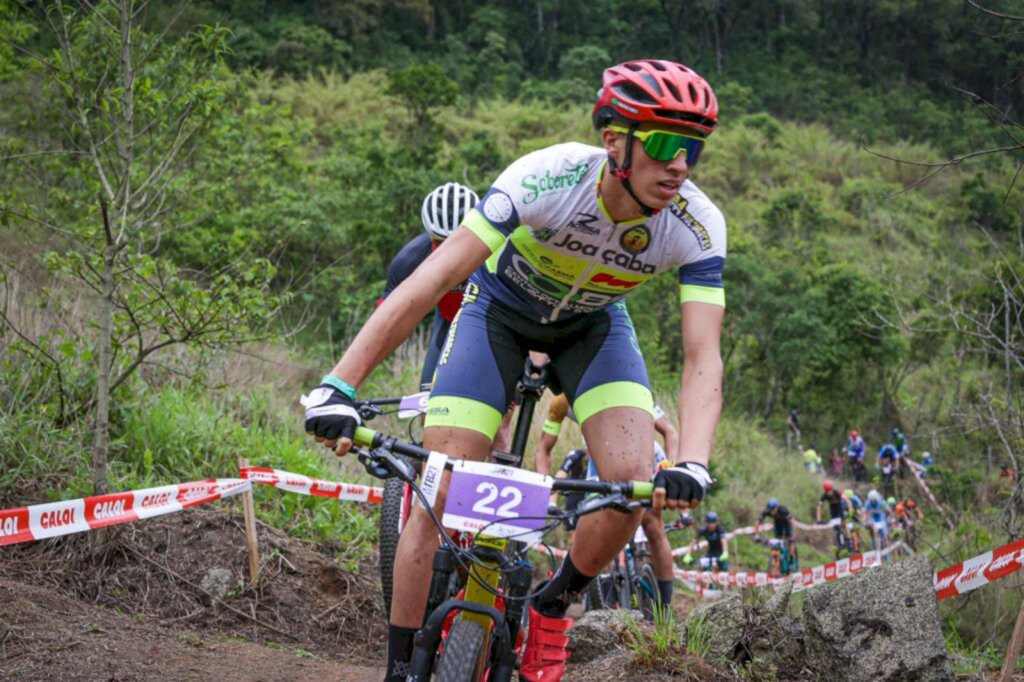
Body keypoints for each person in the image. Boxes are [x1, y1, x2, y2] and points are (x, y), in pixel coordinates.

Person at [303, 59, 726, 682]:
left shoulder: (696, 222)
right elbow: (434, 279)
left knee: (633, 483)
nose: (681, 164)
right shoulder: (546, 177)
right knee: (440, 488)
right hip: (497, 314)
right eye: (664, 144)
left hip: (593, 328)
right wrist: (338, 385)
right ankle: (398, 667)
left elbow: (702, 354)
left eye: (692, 148)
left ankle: (553, 606)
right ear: (615, 142)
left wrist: (692, 459)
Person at [538, 392, 681, 609]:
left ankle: (666, 609)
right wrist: (544, 489)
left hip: (640, 455)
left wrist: (670, 467)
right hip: (601, 462)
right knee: (587, 529)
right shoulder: (562, 401)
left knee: (653, 526)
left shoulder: (626, 385)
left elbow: (670, 432)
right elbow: (543, 449)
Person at [378, 182, 479, 389]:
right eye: (440, 241)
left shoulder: (498, 251)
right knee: (425, 399)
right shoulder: (411, 259)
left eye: (459, 241)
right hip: (447, 321)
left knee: (502, 409)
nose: (449, 250)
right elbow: (384, 321)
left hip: (491, 324)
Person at [757, 498, 797, 566]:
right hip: (778, 524)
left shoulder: (783, 510)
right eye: (770, 511)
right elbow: (758, 523)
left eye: (772, 510)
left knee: (790, 540)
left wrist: (794, 536)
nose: (771, 513)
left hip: (787, 524)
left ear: (776, 508)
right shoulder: (767, 511)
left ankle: (791, 557)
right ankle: (780, 558)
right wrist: (757, 536)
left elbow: (793, 523)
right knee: (778, 540)